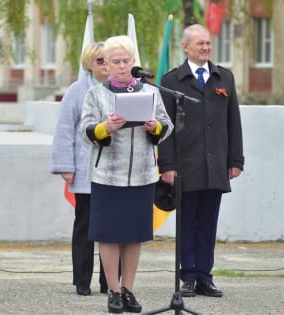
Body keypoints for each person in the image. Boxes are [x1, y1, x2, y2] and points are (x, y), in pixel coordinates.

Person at [79, 35, 173, 314]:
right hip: (108, 176)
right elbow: (85, 131)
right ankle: (113, 291)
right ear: (106, 65)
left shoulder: (150, 92)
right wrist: (105, 127)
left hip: (142, 175)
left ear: (134, 63)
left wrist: (154, 126)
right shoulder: (95, 95)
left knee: (134, 235)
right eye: (115, 61)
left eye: (126, 61)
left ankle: (129, 289)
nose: (122, 66)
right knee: (108, 234)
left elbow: (166, 126)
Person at [157, 24, 244, 298]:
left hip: (215, 164)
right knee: (187, 222)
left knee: (208, 222)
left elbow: (234, 122)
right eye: (199, 44)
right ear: (185, 47)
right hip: (185, 166)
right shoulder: (172, 82)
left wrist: (235, 160)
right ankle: (188, 276)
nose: (205, 48)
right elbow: (164, 128)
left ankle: (205, 276)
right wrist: (167, 165)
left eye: (208, 43)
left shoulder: (224, 78)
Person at [51, 42, 110, 296]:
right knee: (85, 226)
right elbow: (65, 129)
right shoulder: (77, 91)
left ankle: (110, 282)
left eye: (109, 60)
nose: (106, 65)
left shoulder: (121, 89)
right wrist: (66, 166)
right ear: (88, 64)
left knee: (112, 228)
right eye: (100, 61)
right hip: (86, 170)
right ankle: (82, 280)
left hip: (114, 173)